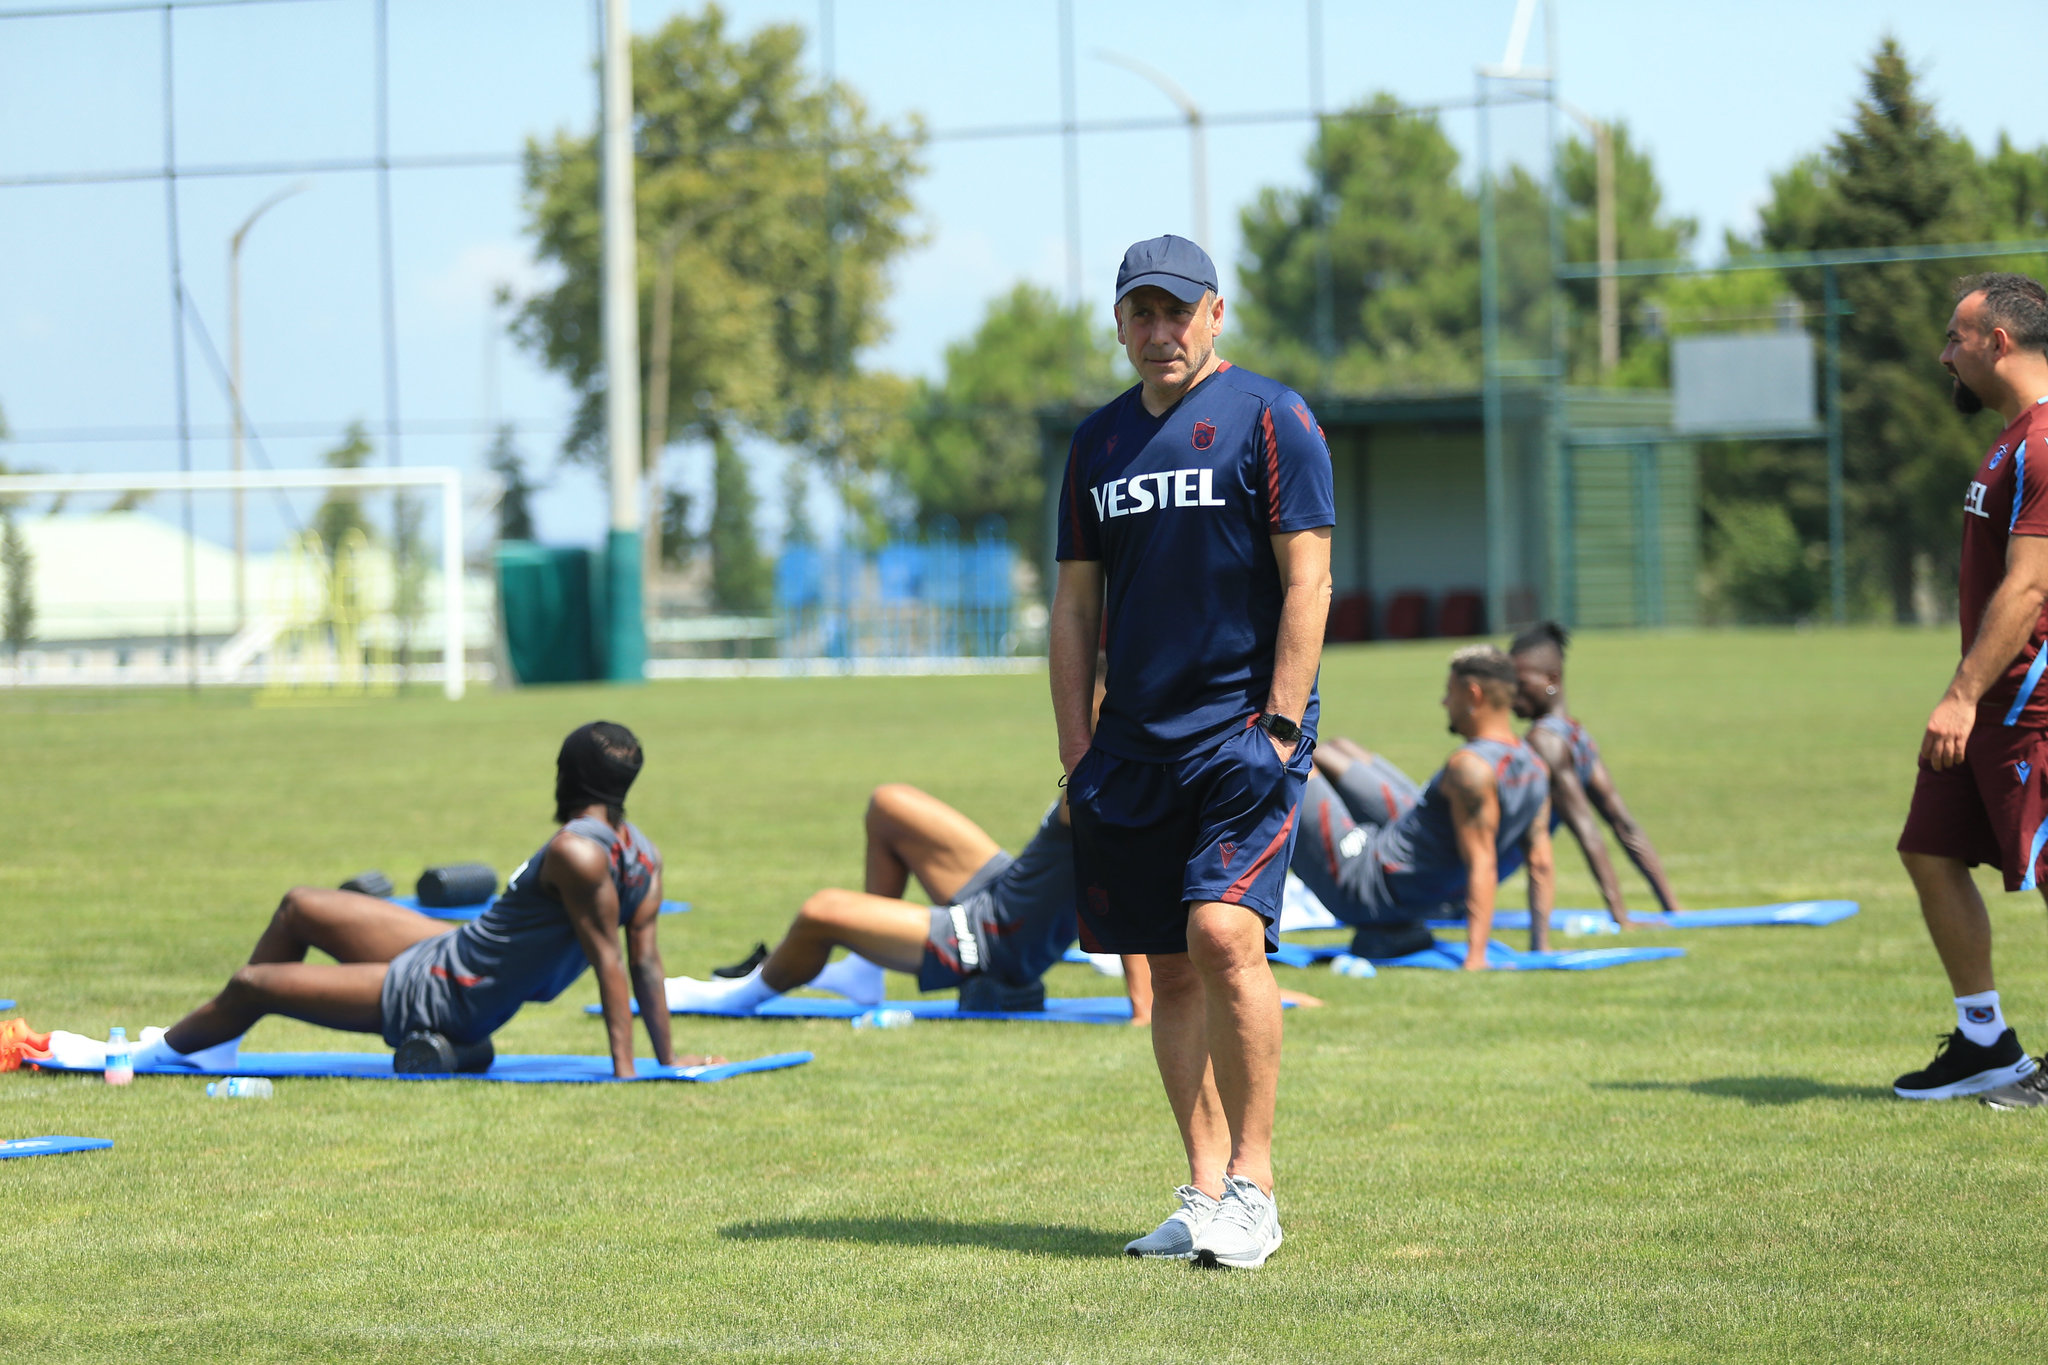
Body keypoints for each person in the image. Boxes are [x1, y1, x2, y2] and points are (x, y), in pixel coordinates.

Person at [1050, 233, 1333, 1269]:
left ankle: (1254, 1188)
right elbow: (1075, 608)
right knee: (1165, 970)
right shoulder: (1096, 443)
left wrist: (1279, 725)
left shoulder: (1270, 416)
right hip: (1128, 746)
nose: (1159, 331)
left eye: (1178, 311)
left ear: (1215, 315)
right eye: (1141, 313)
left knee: (1222, 937)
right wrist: (1079, 750)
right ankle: (1205, 1192)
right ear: (1119, 324)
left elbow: (1308, 581)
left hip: (1239, 736)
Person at [112, 722, 711, 1080]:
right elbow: (647, 963)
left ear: (568, 776)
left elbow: (617, 961)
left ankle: (159, 1053)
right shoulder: (644, 856)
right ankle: (222, 1044)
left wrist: (630, 1073)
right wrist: (666, 1058)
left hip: (451, 993)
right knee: (299, 904)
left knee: (251, 983)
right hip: (455, 950)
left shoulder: (578, 854)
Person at [1894, 272, 2048, 1107]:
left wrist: (1960, 693)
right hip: (1988, 701)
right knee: (1930, 847)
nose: (1942, 354)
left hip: (2030, 703)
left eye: (1956, 338)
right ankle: (1986, 1045)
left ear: (2000, 342)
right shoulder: (2012, 437)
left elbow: (2028, 590)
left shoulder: (2046, 441)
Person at [662, 783, 1158, 1022]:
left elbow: (1122, 884)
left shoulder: (1105, 785)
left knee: (822, 912)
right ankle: (863, 972)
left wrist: (1144, 1006)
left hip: (999, 940)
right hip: (1008, 888)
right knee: (888, 804)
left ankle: (735, 998)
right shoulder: (1094, 760)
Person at [1291, 646, 1555, 968]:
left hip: (1366, 886)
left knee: (1287, 756)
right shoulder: (1535, 767)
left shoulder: (1469, 768)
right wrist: (1541, 948)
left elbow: (1481, 863)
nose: (1445, 703)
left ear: (1472, 694)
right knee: (1332, 749)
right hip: (1403, 887)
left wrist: (1475, 957)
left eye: (1450, 693)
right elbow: (1540, 862)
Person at [1508, 620, 1683, 928]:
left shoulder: (1549, 741)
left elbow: (1596, 829)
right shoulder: (1575, 736)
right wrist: (1669, 910)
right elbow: (1619, 826)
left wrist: (1623, 918)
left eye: (1519, 684)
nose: (1510, 695)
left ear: (1552, 679)